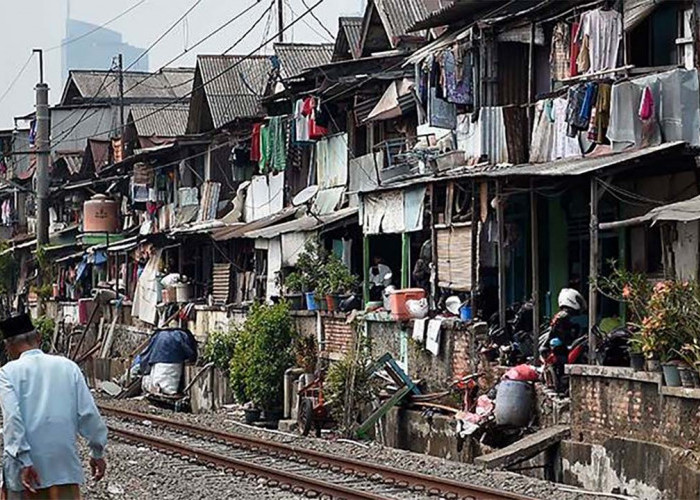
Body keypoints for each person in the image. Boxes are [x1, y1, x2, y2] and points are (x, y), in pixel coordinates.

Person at [0, 313, 107, 500]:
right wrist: (97, 451)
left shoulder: (7, 373)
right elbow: (89, 414)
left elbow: (13, 420)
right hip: (64, 468)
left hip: (26, 472)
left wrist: (25, 460)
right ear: (39, 338)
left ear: (8, 345)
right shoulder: (68, 367)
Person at [547, 289, 586, 393]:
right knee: (563, 366)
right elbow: (563, 333)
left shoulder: (563, 315)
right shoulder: (564, 316)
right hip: (561, 348)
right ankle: (563, 386)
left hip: (561, 346)